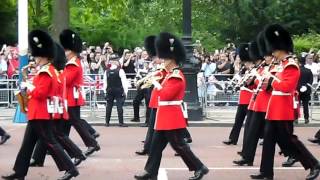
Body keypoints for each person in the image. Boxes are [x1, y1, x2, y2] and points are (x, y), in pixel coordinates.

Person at [2, 30, 78, 180]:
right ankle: (19, 172)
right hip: (37, 113)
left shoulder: (46, 72)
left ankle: (70, 168)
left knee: (51, 142)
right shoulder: (47, 70)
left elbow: (40, 93)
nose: (34, 58)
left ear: (43, 56)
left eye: (36, 56)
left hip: (41, 114)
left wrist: (28, 86)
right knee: (27, 145)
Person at [134, 32, 208, 180]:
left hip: (171, 117)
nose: (163, 60)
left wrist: (154, 83)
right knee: (155, 146)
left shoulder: (176, 76)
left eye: (165, 58)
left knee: (179, 146)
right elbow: (157, 96)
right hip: (164, 117)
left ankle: (200, 167)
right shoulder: (168, 74)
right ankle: (150, 171)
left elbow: (166, 95)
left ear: (172, 59)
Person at [250, 24, 320, 180]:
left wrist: (271, 79)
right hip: (273, 108)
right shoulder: (280, 66)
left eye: (274, 50)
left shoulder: (291, 66)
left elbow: (286, 87)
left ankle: (314, 164)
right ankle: (266, 172)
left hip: (283, 109)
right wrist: (266, 81)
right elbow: (273, 87)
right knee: (268, 141)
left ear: (282, 49)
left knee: (289, 140)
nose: (273, 52)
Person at [29, 43, 86, 168]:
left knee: (56, 134)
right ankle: (38, 158)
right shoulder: (56, 70)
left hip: (54, 106)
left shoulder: (54, 71)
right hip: (55, 105)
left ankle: (76, 154)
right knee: (51, 134)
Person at [60, 29, 100, 157]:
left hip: (71, 97)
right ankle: (61, 145)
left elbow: (66, 80)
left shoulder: (72, 64)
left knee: (75, 122)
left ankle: (92, 144)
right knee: (66, 123)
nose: (64, 53)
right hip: (70, 97)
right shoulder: (73, 63)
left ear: (70, 51)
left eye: (66, 50)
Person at [223, 43, 254, 145]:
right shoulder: (243, 69)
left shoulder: (254, 70)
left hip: (251, 98)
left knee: (253, 123)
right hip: (243, 98)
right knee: (238, 120)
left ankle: (258, 138)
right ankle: (233, 138)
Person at [103, 54, 128, 127]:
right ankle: (121, 122)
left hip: (109, 90)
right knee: (119, 106)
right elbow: (124, 83)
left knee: (109, 106)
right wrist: (126, 91)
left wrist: (105, 92)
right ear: (116, 61)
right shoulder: (120, 71)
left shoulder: (106, 71)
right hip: (118, 90)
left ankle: (107, 122)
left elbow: (104, 82)